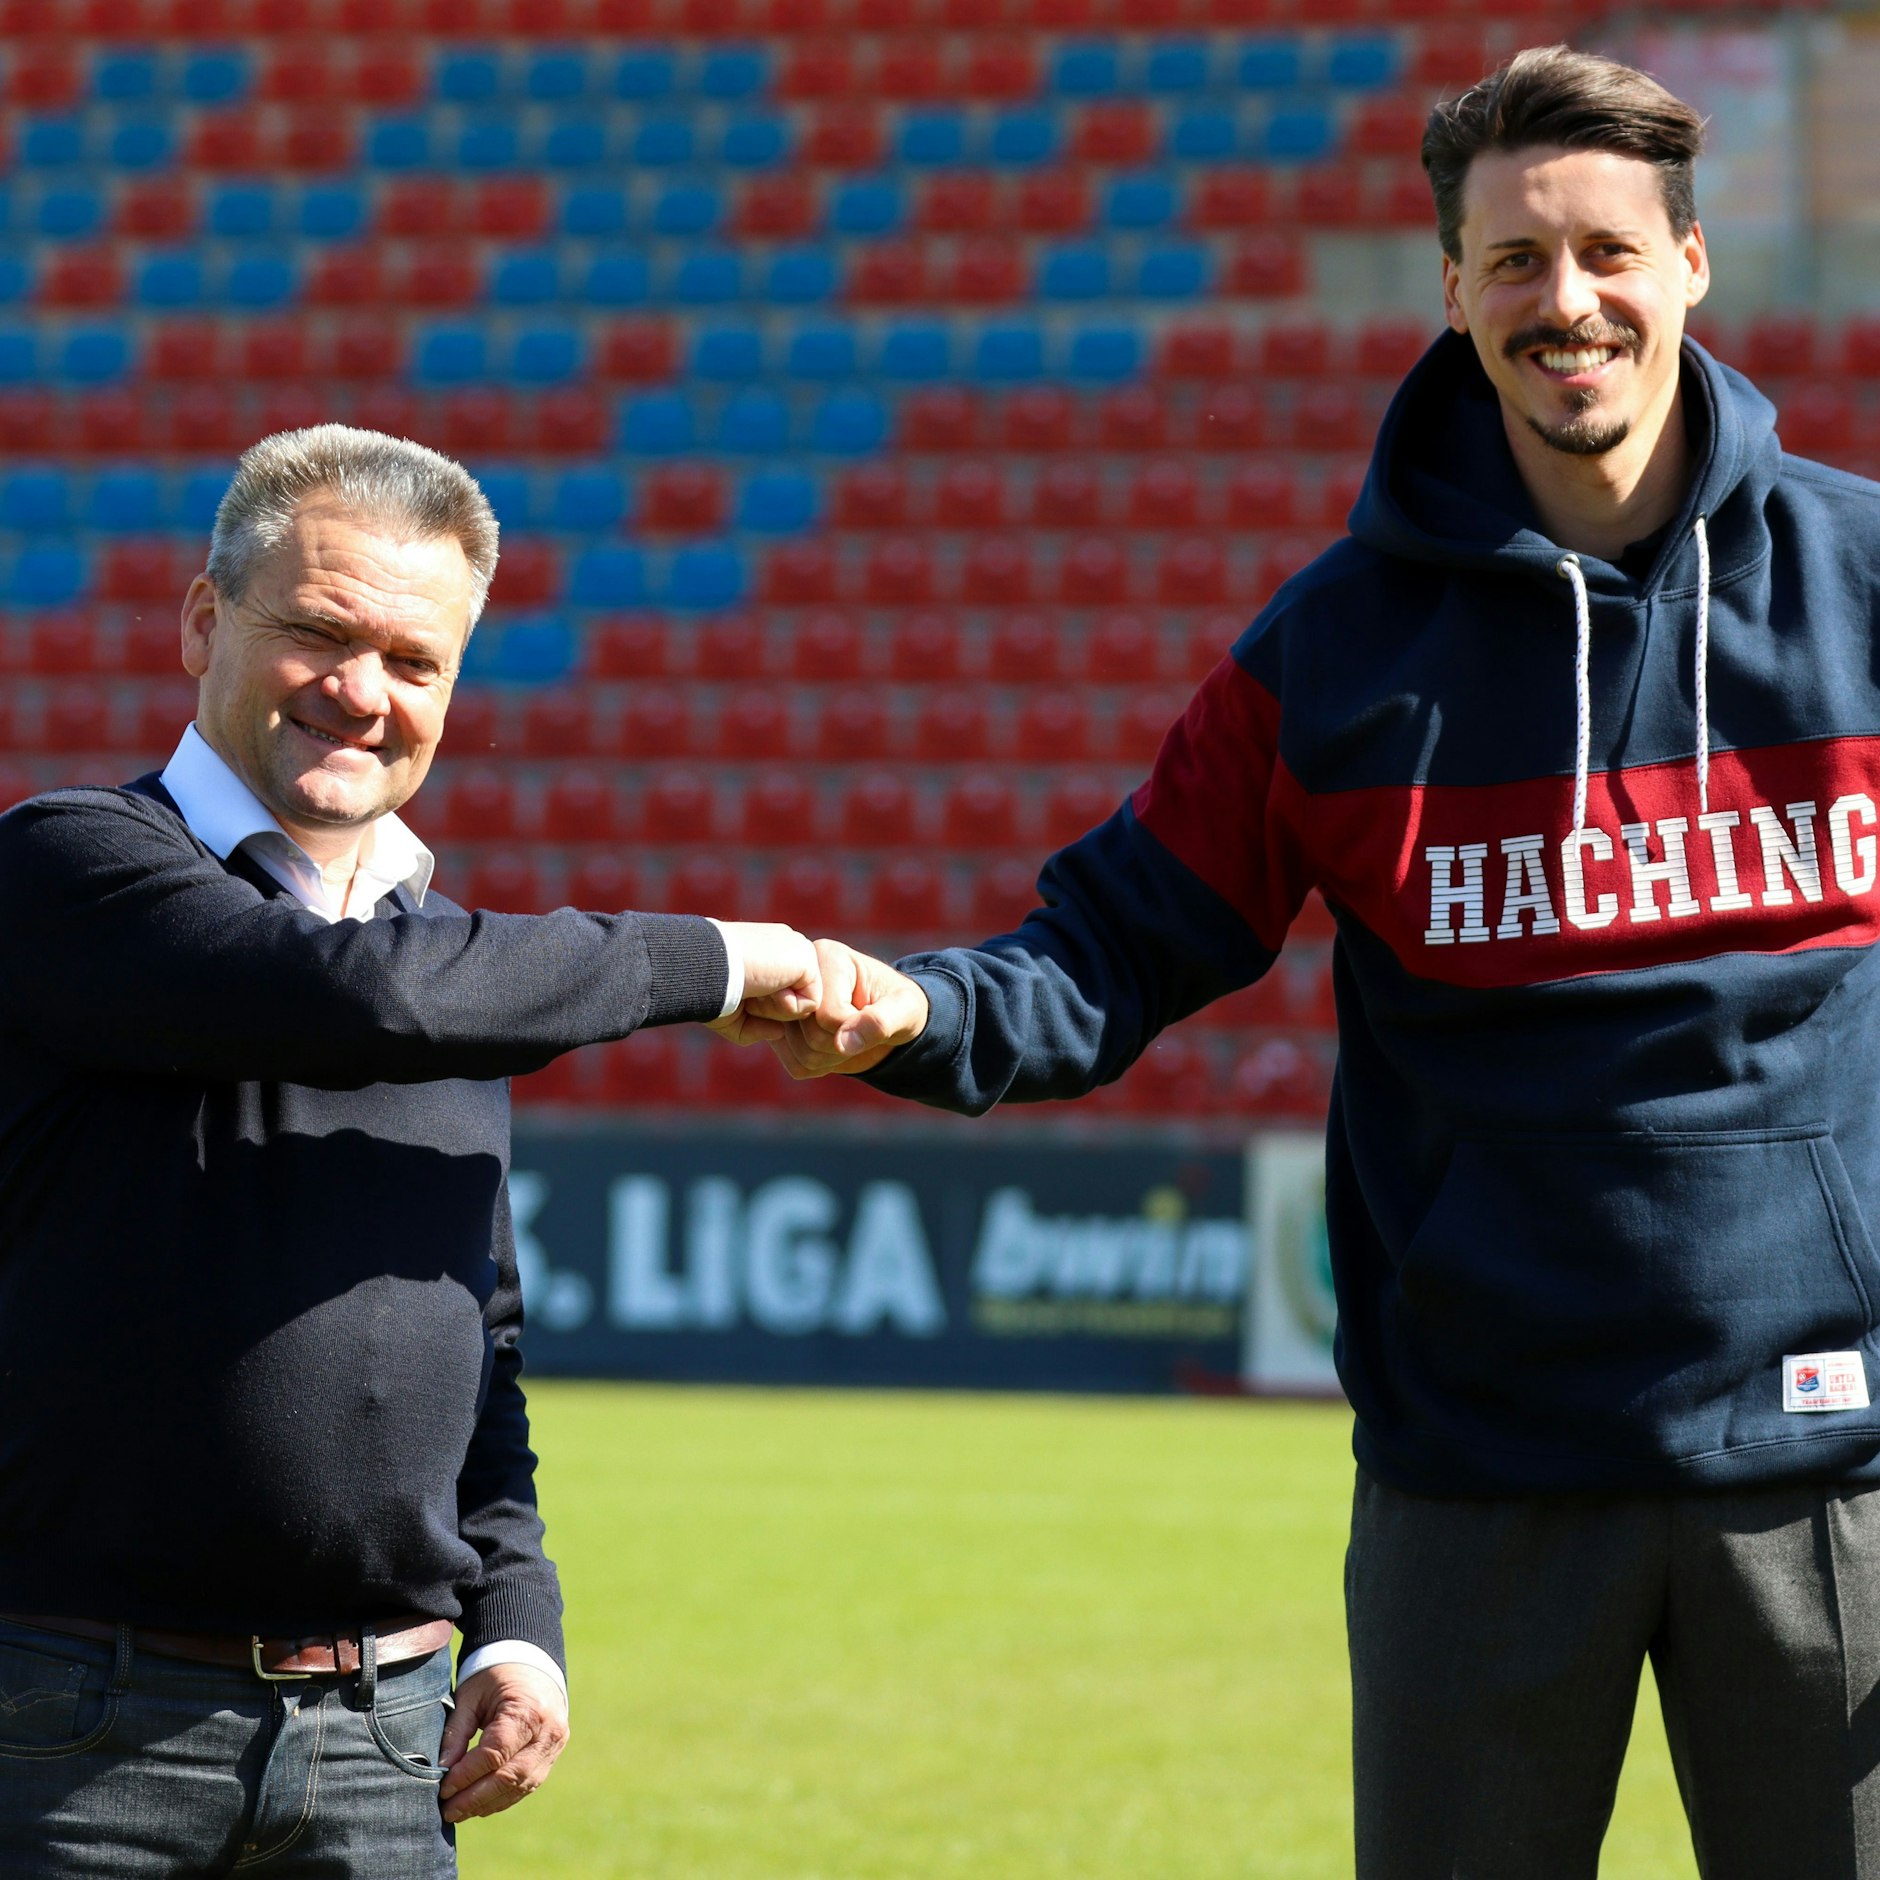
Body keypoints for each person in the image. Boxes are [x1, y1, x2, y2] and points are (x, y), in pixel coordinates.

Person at [763, 45, 1880, 1879]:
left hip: (1835, 1477)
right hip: (1478, 1479)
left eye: (1608, 250)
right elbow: (1114, 945)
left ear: (1690, 262)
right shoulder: (1340, 651)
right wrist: (914, 1011)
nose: (1566, 300)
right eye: (1514, 260)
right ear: (1452, 291)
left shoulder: (1861, 580)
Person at [0, 424, 819, 1877]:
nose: (363, 692)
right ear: (202, 622)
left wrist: (515, 1628)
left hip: (385, 1755)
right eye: (318, 633)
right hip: (71, 1736)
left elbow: (475, 1352)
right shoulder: (65, 866)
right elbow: (350, 1000)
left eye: (414, 661)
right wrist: (716, 959)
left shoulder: (454, 975)